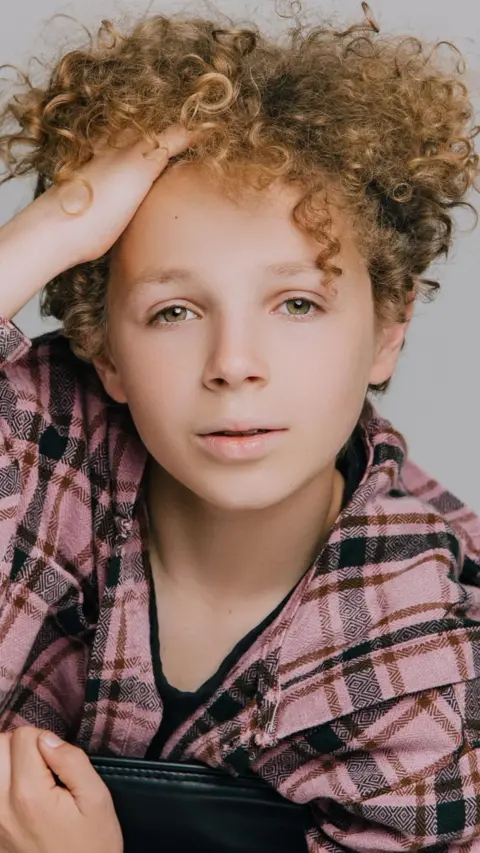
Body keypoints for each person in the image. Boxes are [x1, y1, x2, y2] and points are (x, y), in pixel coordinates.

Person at [0, 2, 479, 850]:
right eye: (175, 309)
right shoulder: (40, 444)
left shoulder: (433, 655)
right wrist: (52, 228)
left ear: (388, 331)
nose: (234, 363)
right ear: (103, 350)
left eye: (297, 302)